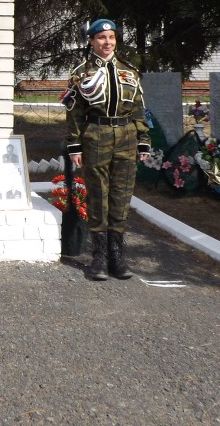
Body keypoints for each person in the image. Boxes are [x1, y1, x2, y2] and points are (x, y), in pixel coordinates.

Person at [63, 19, 150, 281]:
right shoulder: (82, 73)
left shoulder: (130, 71)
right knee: (98, 194)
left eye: (111, 37)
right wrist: (75, 144)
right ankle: (99, 256)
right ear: (91, 41)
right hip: (96, 134)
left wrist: (143, 139)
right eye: (101, 38)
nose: (107, 42)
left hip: (126, 135)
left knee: (122, 194)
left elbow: (138, 108)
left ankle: (116, 254)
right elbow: (74, 113)